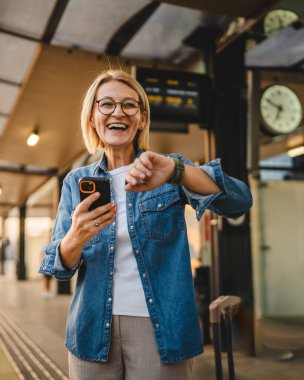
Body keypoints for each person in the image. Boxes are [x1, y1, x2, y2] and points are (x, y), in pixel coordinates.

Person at [39, 70, 252, 380]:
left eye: (129, 105)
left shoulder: (166, 168)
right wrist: (76, 236)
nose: (118, 112)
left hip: (160, 327)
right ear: (93, 117)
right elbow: (58, 267)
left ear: (140, 117)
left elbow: (239, 201)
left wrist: (177, 171)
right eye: (107, 104)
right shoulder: (76, 181)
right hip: (92, 327)